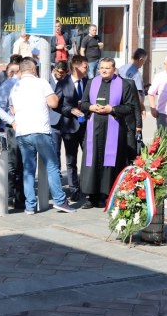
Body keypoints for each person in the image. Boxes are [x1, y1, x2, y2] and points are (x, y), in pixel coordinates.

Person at [9, 58, 76, 214]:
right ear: (33, 70)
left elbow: (12, 110)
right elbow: (53, 103)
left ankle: (30, 206)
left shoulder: (15, 87)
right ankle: (60, 201)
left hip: (22, 132)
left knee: (28, 170)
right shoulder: (42, 83)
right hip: (40, 131)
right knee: (52, 167)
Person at [80, 58, 137, 209]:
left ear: (113, 69)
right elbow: (83, 103)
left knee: (110, 162)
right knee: (92, 161)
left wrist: (112, 109)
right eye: (101, 68)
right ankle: (92, 197)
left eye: (107, 68)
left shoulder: (124, 84)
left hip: (114, 129)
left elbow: (130, 107)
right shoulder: (91, 82)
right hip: (94, 128)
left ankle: (107, 195)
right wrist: (92, 108)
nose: (104, 70)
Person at [53, 55, 89, 202]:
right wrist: (70, 110)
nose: (87, 69)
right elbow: (56, 105)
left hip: (86, 125)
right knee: (71, 159)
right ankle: (74, 189)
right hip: (70, 127)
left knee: (89, 158)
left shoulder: (88, 82)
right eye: (85, 66)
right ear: (76, 68)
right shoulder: (63, 83)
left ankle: (88, 186)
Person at [0, 60, 25, 209]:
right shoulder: (8, 85)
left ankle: (22, 196)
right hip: (12, 128)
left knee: (25, 163)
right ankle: (9, 197)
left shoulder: (28, 85)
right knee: (12, 164)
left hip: (27, 127)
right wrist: (12, 121)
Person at [49, 61, 69, 175]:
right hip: (52, 120)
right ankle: (57, 176)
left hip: (67, 121)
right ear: (54, 70)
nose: (63, 76)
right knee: (55, 151)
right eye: (61, 73)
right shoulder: (47, 81)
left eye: (65, 73)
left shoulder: (67, 80)